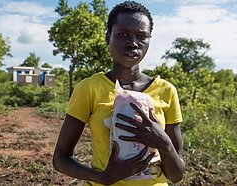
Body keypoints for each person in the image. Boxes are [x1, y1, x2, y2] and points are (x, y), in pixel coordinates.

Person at [52, 1, 185, 185]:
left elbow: (176, 175)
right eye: (123, 35)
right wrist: (103, 177)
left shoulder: (166, 91)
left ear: (149, 40)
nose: (132, 43)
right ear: (108, 37)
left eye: (141, 36)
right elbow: (60, 158)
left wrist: (163, 143)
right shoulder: (89, 88)